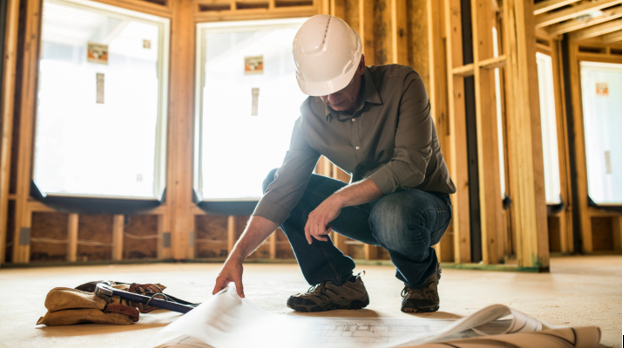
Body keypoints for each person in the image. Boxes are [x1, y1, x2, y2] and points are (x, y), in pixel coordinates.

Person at [212, 14, 456, 313]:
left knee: (391, 212)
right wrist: (236, 256)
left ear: (361, 65)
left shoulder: (403, 84)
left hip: (424, 207)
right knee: (275, 179)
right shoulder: (309, 118)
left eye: (338, 86)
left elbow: (412, 166)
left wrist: (339, 198)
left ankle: (421, 279)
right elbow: (281, 193)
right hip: (369, 207)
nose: (329, 97)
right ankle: (337, 282)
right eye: (320, 90)